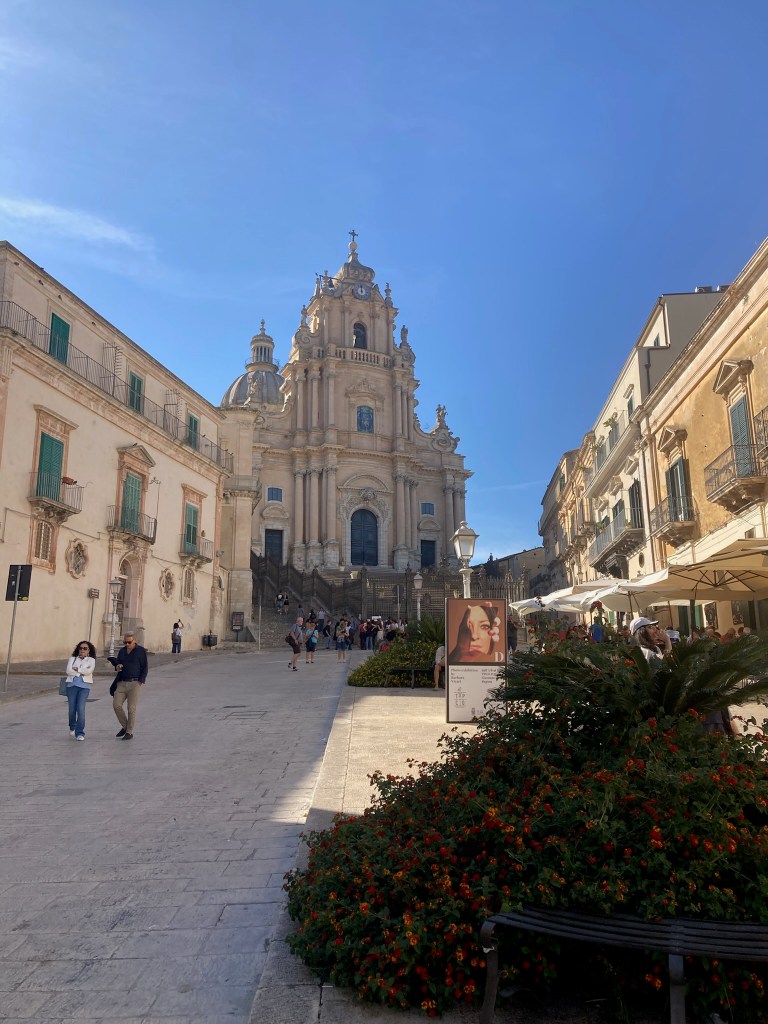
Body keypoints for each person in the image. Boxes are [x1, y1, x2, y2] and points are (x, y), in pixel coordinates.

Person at [108, 631, 148, 740]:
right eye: (125, 642)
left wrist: (140, 681)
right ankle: (125, 726)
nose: (127, 644)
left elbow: (145, 667)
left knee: (131, 708)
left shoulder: (141, 651)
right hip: (121, 682)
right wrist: (117, 666)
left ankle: (129, 732)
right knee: (116, 705)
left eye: (129, 642)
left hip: (134, 682)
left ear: (134, 641)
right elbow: (118, 663)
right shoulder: (122, 651)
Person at [65, 640, 96, 741]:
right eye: (81, 648)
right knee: (72, 709)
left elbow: (88, 671)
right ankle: (72, 727)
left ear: (88, 650)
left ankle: (80, 733)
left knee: (80, 708)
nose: (82, 650)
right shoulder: (72, 659)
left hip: (84, 687)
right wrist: (80, 672)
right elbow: (68, 671)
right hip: (71, 686)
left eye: (85, 648)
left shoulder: (91, 660)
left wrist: (77, 670)